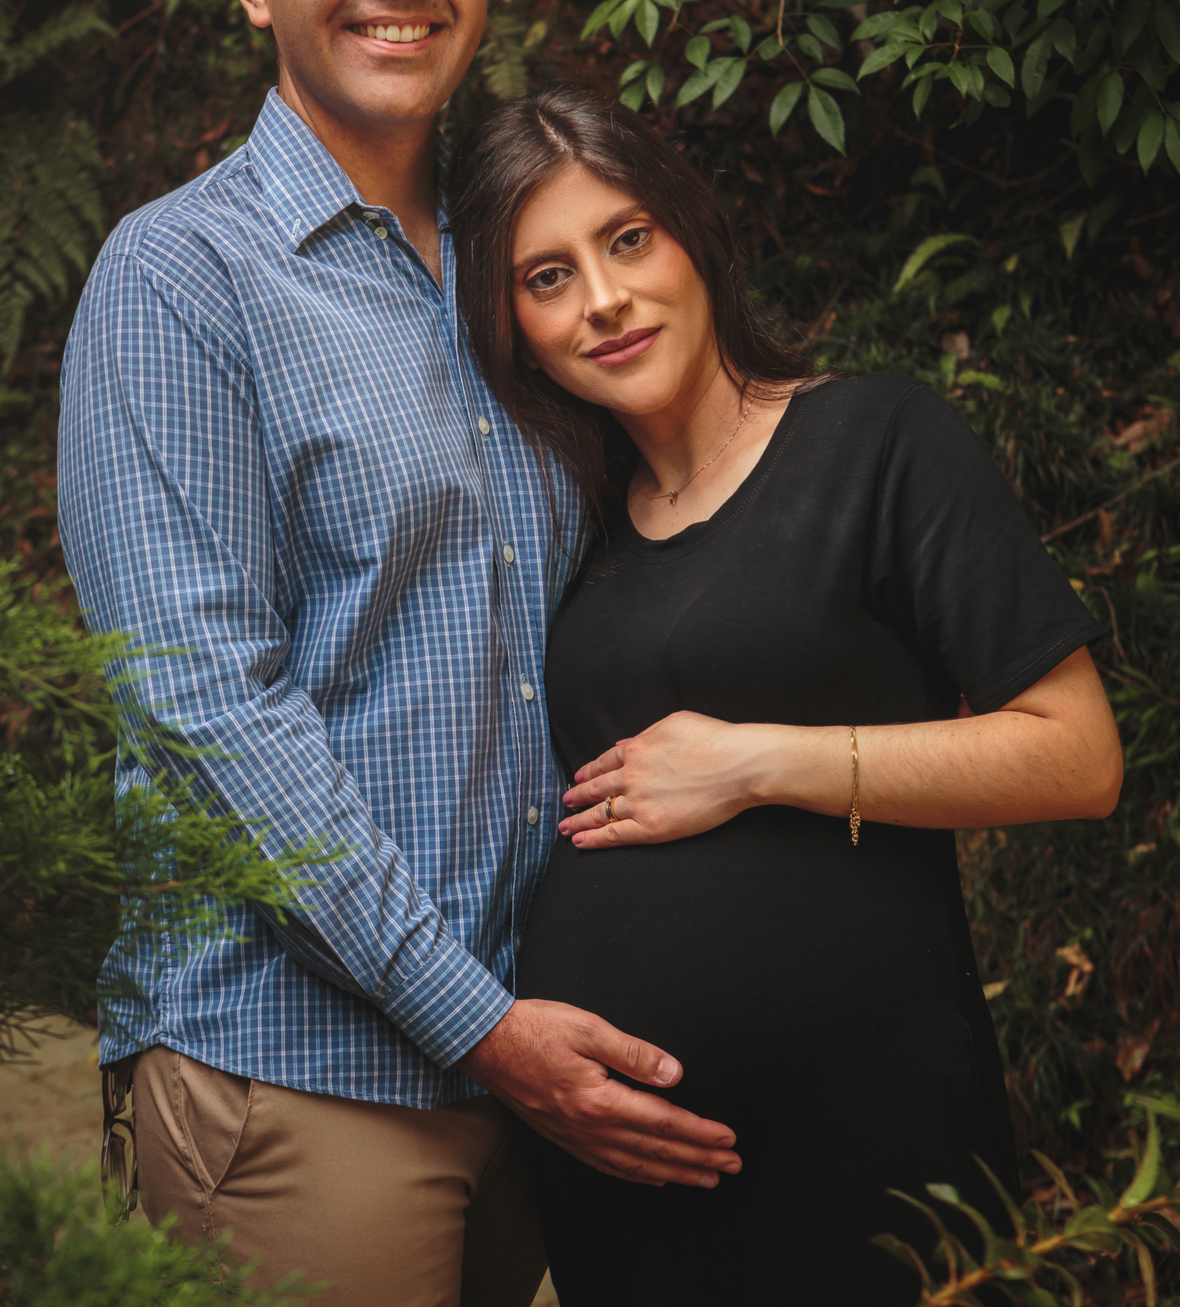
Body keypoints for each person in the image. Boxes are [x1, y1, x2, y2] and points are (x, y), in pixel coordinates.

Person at [56, 0, 742, 1307]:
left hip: (535, 1065)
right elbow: (203, 708)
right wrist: (477, 1022)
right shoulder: (182, 278)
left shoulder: (527, 264)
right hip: (294, 1077)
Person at [446, 86, 1124, 1307]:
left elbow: (1077, 757)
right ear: (515, 329)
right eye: (547, 278)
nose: (603, 299)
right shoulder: (565, 532)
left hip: (866, 1146)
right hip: (625, 1190)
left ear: (694, 236)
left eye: (628, 239)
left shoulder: (876, 443)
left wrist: (756, 762)